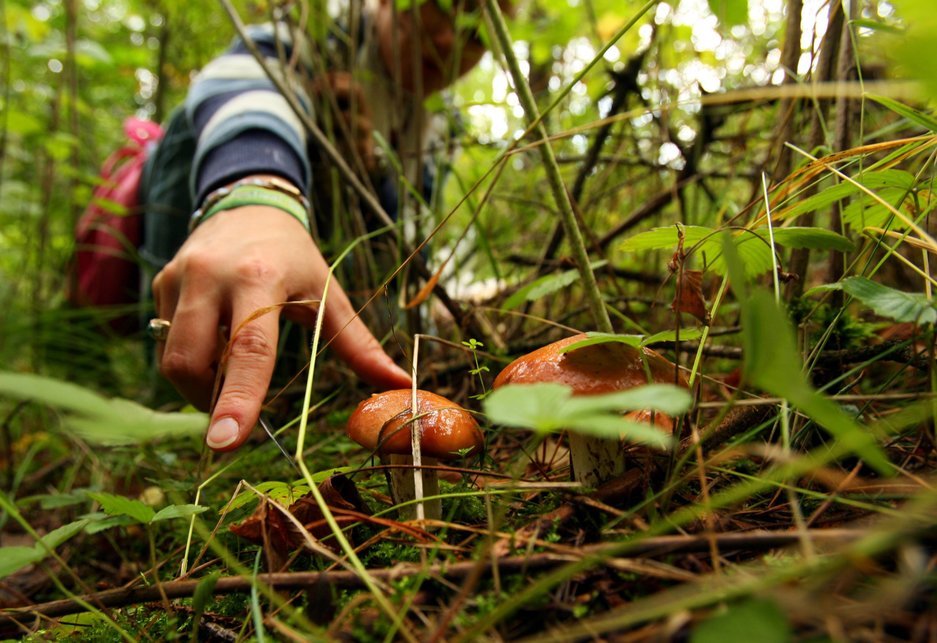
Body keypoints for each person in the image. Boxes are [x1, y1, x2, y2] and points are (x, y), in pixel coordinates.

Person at [141, 0, 501, 453]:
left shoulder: (441, 124)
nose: (449, 39)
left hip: (313, 269)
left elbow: (410, 226)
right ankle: (162, 410)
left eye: (475, 36)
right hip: (205, 202)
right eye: (438, 7)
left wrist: (371, 170)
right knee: (186, 143)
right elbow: (240, 85)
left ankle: (278, 403)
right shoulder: (316, 34)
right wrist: (256, 188)